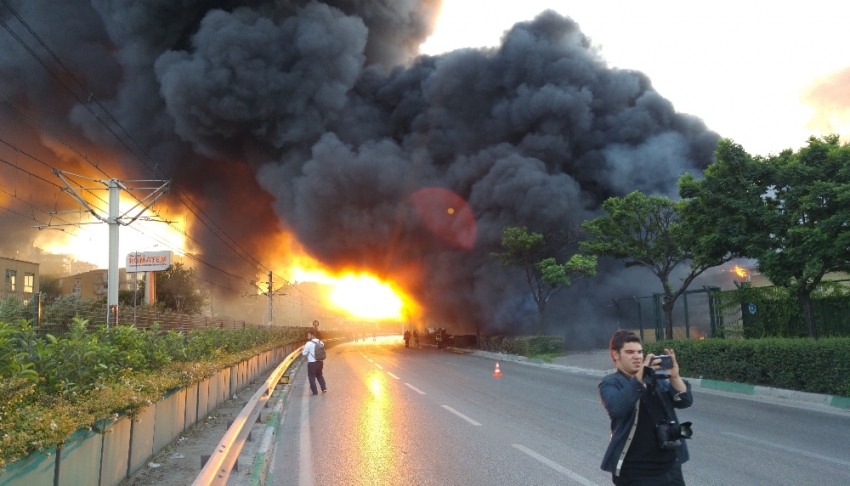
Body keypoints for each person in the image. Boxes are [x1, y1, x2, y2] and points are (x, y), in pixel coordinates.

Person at [599, 330, 693, 485]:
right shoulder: (610, 383)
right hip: (637, 472)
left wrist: (674, 377)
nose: (637, 356)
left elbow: (684, 401)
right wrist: (640, 377)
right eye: (630, 352)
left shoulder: (658, 379)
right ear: (615, 355)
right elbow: (617, 407)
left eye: (640, 352)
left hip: (670, 467)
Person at [302, 331, 327, 395]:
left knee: (311, 377)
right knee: (320, 375)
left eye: (308, 335)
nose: (307, 337)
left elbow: (304, 353)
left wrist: (303, 349)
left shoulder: (309, 343)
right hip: (320, 362)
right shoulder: (321, 342)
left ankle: (315, 392)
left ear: (312, 335)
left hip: (312, 363)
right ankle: (324, 388)